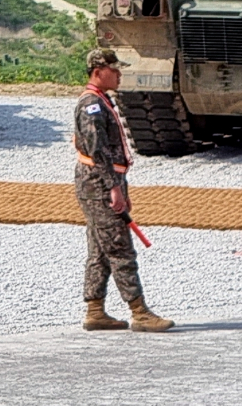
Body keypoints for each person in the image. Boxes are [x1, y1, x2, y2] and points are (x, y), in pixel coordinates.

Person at [74, 47, 172, 332]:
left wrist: (120, 185)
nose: (118, 75)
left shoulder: (101, 101)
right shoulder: (91, 105)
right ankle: (139, 312)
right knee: (119, 248)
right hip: (99, 182)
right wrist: (114, 188)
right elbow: (98, 150)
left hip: (101, 180)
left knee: (100, 249)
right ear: (97, 71)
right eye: (114, 70)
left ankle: (95, 310)